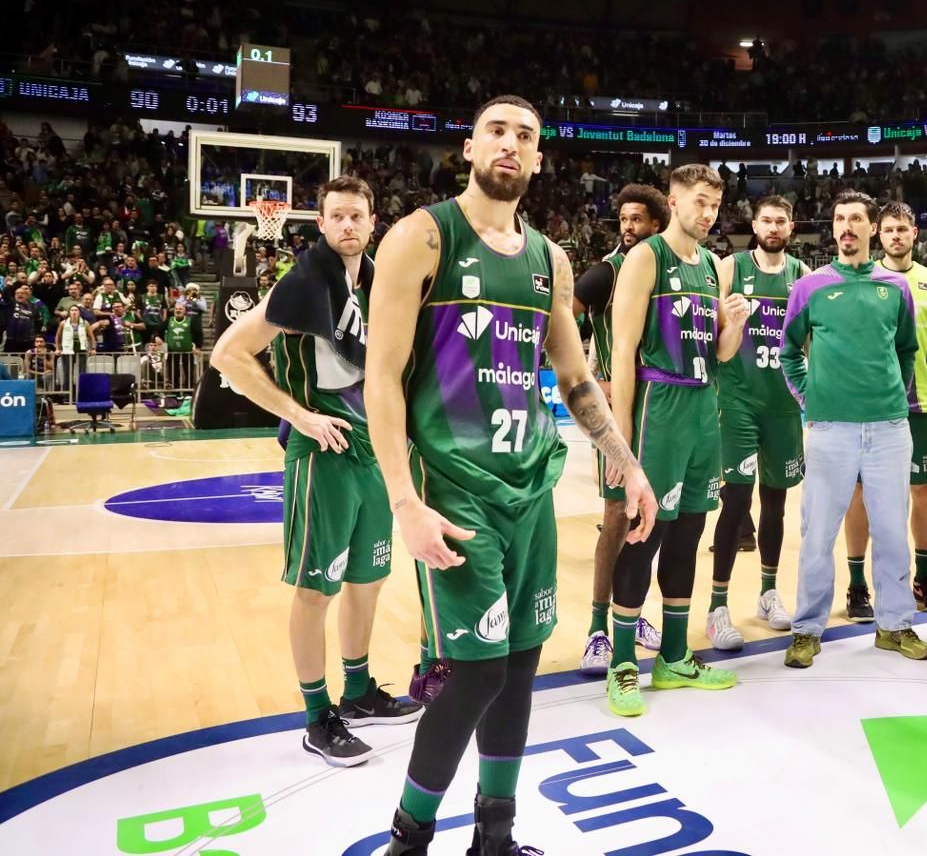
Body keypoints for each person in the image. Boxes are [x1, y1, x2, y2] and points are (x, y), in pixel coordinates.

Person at [366, 96, 655, 855]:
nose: (510, 143)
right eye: (496, 130)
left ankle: (495, 836)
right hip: (455, 492)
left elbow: (575, 377)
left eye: (524, 135)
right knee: (474, 673)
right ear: (468, 148)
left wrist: (626, 464)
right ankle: (409, 838)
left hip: (528, 487)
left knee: (520, 668)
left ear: (538, 159)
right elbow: (382, 379)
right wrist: (405, 501)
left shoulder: (550, 259)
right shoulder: (421, 237)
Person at [210, 176, 423, 770]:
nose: (349, 225)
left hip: (376, 453)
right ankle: (315, 716)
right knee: (314, 590)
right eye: (338, 216)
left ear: (373, 221)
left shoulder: (382, 283)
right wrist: (296, 414)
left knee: (367, 579)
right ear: (322, 224)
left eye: (358, 215)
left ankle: (357, 693)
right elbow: (227, 353)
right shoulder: (304, 283)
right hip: (323, 454)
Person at [605, 163, 749, 717]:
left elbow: (723, 354)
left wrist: (732, 326)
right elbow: (622, 350)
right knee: (645, 533)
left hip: (702, 408)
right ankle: (622, 662)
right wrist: (619, 442)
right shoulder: (647, 258)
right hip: (658, 410)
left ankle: (672, 656)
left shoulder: (717, 267)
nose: (708, 213)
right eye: (699, 202)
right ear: (674, 200)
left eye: (715, 204)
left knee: (690, 533)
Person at [781, 191, 927, 669]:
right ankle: (807, 629)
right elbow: (789, 351)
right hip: (830, 430)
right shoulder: (810, 287)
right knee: (818, 533)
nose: (846, 227)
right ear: (833, 229)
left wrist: (893, 392)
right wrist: (811, 398)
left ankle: (895, 626)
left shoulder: (896, 287)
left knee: (891, 531)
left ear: (872, 229)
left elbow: (907, 349)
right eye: (839, 220)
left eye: (855, 220)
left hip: (890, 427)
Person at [840, 201, 927, 617]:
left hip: (921, 403)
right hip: (870, 406)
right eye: (889, 229)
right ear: (879, 235)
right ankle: (858, 585)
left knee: (923, 492)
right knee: (860, 494)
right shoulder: (864, 279)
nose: (896, 235)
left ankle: (924, 577)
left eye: (903, 229)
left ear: (915, 234)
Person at [572, 183, 670, 676]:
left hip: (664, 410)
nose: (628, 227)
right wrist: (592, 375)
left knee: (650, 521)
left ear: (657, 223)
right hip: (618, 415)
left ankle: (631, 619)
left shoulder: (663, 267)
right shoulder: (608, 270)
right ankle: (596, 629)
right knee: (616, 514)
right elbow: (561, 316)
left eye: (638, 220)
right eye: (624, 219)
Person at [705, 196, 810, 649]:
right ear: (754, 224)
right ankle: (718, 605)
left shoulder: (803, 276)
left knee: (777, 503)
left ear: (791, 226)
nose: (773, 226)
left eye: (780, 220)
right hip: (738, 402)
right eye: (766, 220)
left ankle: (768, 592)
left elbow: (811, 341)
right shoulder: (730, 268)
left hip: (784, 405)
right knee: (735, 502)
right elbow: (713, 335)